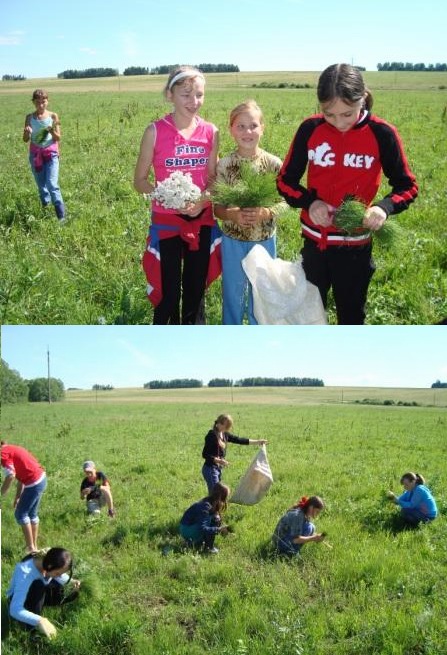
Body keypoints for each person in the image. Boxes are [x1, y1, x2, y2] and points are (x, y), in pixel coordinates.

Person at [277, 63, 418, 324]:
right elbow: (285, 182)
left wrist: (382, 208)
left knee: (351, 317)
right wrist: (311, 202)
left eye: (347, 114)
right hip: (314, 245)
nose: (339, 123)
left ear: (362, 98)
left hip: (355, 249)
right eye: (330, 114)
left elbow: (407, 186)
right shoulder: (310, 129)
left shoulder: (382, 133)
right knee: (309, 316)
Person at [134, 66, 221, 324]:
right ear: (169, 95)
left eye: (199, 95)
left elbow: (214, 180)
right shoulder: (155, 131)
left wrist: (202, 201)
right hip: (167, 222)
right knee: (168, 292)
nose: (194, 102)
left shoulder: (211, 132)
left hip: (201, 219)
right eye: (185, 95)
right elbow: (139, 181)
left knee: (195, 290)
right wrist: (165, 195)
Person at [213, 100, 287, 324]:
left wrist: (266, 212)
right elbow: (217, 208)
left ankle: (259, 330)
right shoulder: (225, 165)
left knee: (262, 292)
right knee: (233, 292)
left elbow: (284, 202)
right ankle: (232, 329)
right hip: (233, 240)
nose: (247, 131)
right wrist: (232, 214)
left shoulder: (273, 164)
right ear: (231, 130)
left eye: (253, 125)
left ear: (262, 128)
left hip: (264, 240)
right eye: (241, 126)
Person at [6, 547, 81, 639]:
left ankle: (38, 606)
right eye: (58, 573)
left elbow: (57, 574)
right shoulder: (26, 572)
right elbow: (14, 610)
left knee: (71, 592)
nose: (60, 576)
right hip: (21, 600)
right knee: (38, 585)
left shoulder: (48, 559)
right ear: (49, 566)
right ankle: (32, 631)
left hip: (39, 590)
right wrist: (40, 620)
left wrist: (72, 582)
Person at [23, 89, 65, 221]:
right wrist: (27, 132)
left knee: (52, 184)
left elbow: (58, 138)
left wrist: (51, 131)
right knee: (42, 186)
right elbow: (25, 139)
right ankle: (46, 212)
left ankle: (61, 218)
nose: (41, 105)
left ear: (48, 101)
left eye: (43, 102)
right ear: (33, 102)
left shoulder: (53, 116)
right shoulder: (29, 118)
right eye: (37, 102)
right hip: (36, 156)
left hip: (51, 154)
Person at [201, 414, 268, 493]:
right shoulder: (211, 435)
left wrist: (258, 442)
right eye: (223, 424)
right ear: (218, 423)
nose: (224, 427)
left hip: (218, 469)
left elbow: (239, 440)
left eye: (226, 426)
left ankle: (212, 505)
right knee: (215, 495)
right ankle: (205, 505)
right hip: (210, 469)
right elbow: (205, 454)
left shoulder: (224, 434)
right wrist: (219, 461)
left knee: (216, 495)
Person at [1, 440, 47, 553]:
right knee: (31, 514)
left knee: (20, 514)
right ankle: (34, 547)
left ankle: (31, 548)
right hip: (41, 478)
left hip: (34, 483)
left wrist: (1, 493)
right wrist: (18, 497)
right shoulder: (12, 448)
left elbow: (11, 475)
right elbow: (21, 475)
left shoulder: (3, 454)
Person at [180, 482, 230, 553]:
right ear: (220, 497)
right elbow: (202, 528)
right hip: (187, 530)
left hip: (187, 528)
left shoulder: (209, 502)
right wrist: (219, 529)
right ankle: (209, 547)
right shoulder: (205, 506)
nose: (225, 501)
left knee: (216, 519)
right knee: (215, 520)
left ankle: (196, 542)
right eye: (225, 498)